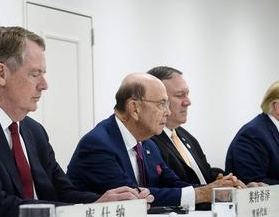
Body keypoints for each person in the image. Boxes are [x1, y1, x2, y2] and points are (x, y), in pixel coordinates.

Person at [0, 26, 152, 217]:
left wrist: (105, 202)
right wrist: (86, 211)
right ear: (1, 74)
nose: (44, 84)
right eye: (35, 74)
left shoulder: (33, 130)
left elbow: (63, 191)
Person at [67, 73, 244, 209]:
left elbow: (174, 184)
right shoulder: (98, 144)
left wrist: (218, 189)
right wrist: (203, 193)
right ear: (134, 108)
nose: (167, 112)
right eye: (161, 104)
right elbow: (134, 197)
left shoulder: (148, 143)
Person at [147, 66, 225, 185]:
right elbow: (169, 187)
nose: (187, 102)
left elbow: (204, 173)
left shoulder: (185, 136)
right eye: (179, 95)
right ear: (159, 99)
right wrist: (207, 191)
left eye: (187, 94)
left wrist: (226, 179)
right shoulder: (149, 140)